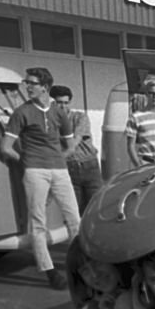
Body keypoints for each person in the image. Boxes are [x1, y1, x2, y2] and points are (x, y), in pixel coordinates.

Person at [0, 67, 80, 290]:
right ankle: (50, 271)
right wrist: (27, 163)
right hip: (35, 172)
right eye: (27, 82)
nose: (28, 86)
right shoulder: (21, 112)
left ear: (45, 87)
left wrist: (57, 160)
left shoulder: (58, 112)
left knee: (74, 219)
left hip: (59, 170)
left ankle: (82, 266)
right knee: (38, 222)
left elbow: (71, 145)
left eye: (32, 83)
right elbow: (5, 147)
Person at [49, 85, 103, 214]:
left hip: (88, 165)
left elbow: (73, 143)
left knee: (95, 205)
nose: (63, 106)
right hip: (69, 167)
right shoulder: (50, 122)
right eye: (59, 103)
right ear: (52, 103)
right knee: (74, 209)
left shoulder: (79, 117)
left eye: (66, 103)